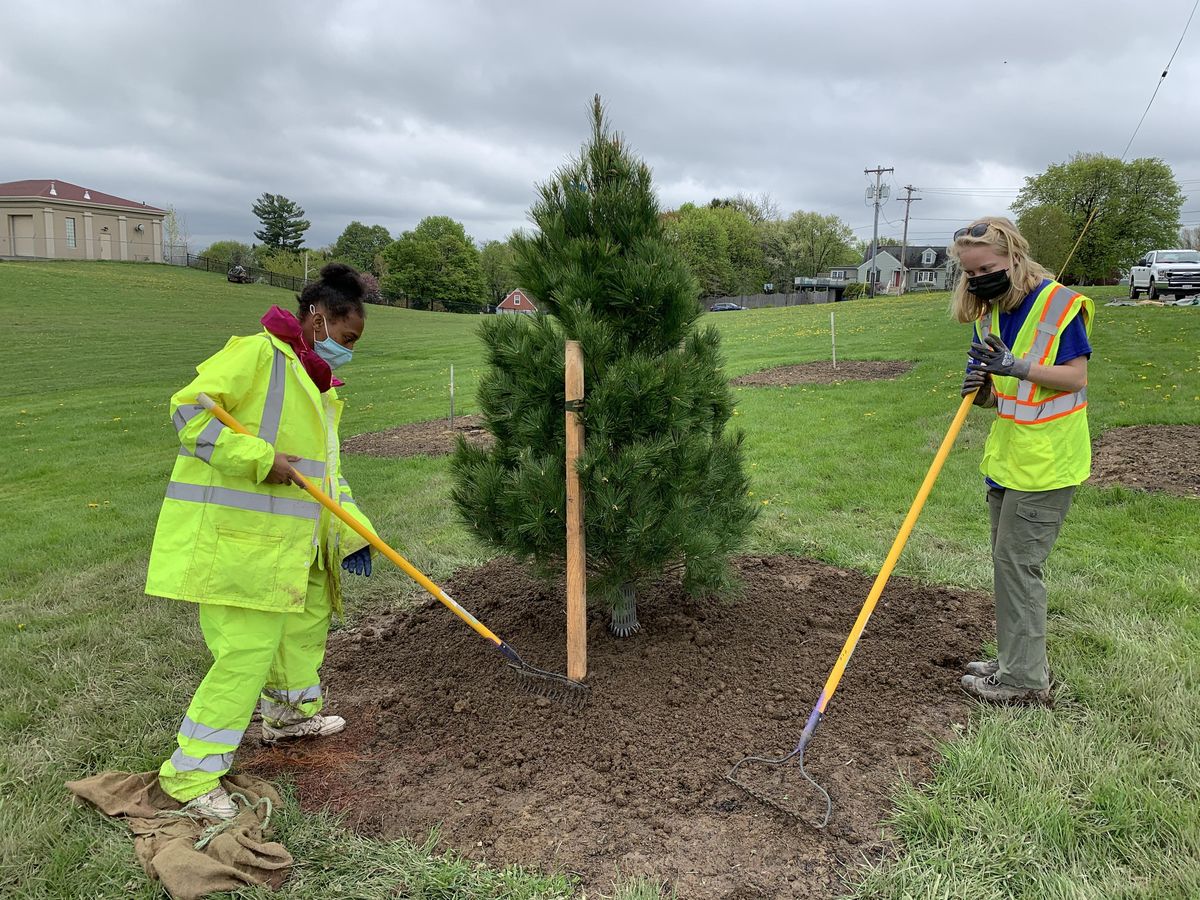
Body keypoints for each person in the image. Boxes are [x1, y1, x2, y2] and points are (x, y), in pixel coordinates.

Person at [146, 262, 377, 819]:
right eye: (347, 338)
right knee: (245, 655)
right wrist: (258, 458)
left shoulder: (318, 384)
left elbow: (325, 476)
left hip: (294, 544)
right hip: (240, 545)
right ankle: (192, 774)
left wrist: (354, 532)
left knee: (302, 629)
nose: (349, 350)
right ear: (318, 319)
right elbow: (189, 413)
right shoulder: (255, 354)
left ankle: (291, 715)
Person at [953, 217, 1094, 706]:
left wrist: (1015, 365)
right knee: (1006, 564)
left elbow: (1074, 378)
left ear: (1014, 255)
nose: (979, 281)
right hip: (1011, 459)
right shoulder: (990, 312)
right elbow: (1010, 396)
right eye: (970, 275)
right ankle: (1015, 659)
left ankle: (1025, 682)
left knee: (1018, 566)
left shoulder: (1058, 306)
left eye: (987, 269)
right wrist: (985, 390)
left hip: (1049, 463)